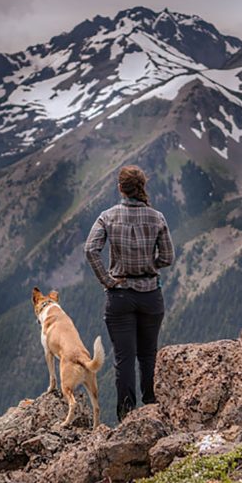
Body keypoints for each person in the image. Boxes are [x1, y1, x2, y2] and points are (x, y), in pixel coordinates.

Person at [84, 165, 175, 422]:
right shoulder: (157, 217)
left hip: (120, 295)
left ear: (120, 188)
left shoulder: (107, 216)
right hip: (150, 295)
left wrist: (108, 280)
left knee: (124, 360)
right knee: (148, 355)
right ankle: (153, 409)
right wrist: (149, 267)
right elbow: (168, 257)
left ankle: (127, 417)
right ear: (142, 187)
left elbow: (90, 250)